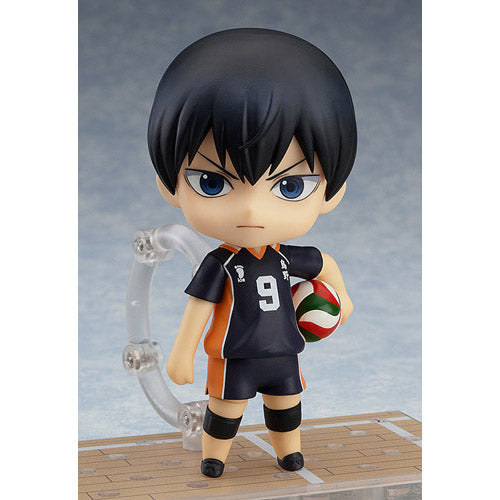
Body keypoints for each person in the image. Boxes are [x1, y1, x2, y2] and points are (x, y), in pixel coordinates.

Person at [147, 28, 357, 478]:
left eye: (290, 186)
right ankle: (214, 456)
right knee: (224, 410)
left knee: (287, 404)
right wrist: (182, 353)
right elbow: (199, 308)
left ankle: (289, 452)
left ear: (332, 192)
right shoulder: (220, 262)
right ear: (169, 185)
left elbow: (325, 264)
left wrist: (343, 298)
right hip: (233, 355)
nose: (251, 210)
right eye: (212, 182)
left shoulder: (284, 257)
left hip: (283, 350)